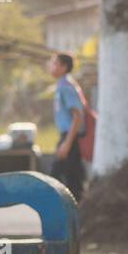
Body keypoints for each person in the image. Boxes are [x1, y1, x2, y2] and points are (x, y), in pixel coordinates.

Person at [48, 52, 86, 201]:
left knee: (59, 176)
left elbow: (77, 116)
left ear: (64, 67)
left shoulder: (66, 87)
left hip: (70, 136)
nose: (51, 67)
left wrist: (67, 143)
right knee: (72, 177)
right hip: (66, 137)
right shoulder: (61, 86)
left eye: (55, 64)